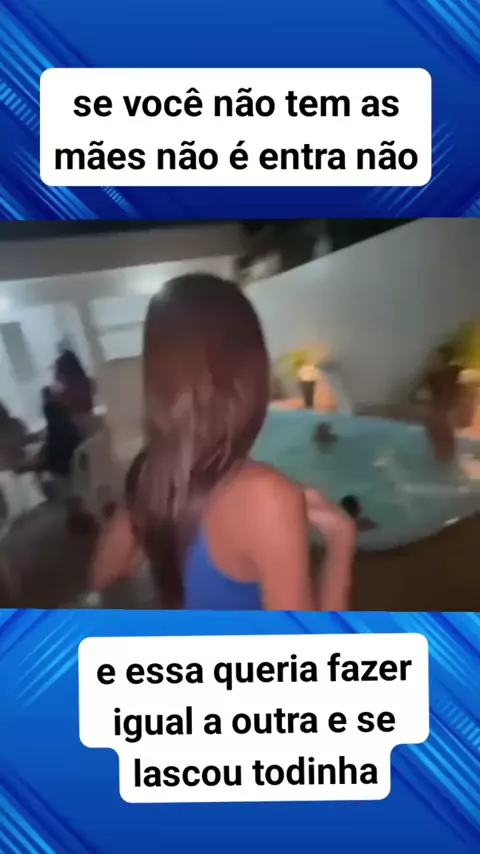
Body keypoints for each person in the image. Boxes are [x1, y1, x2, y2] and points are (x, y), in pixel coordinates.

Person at [90, 273, 355, 610]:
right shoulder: (266, 496)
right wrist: (341, 539)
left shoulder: (150, 472)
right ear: (248, 371)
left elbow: (103, 577)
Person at [53, 348, 96, 437]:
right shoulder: (87, 382)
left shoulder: (67, 393)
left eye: (61, 371)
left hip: (79, 430)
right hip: (88, 423)